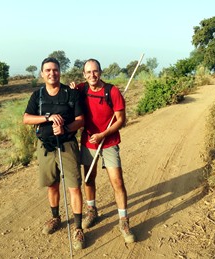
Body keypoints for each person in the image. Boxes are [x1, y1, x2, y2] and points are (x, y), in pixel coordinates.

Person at [70, 58, 136, 244]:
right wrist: (72, 89)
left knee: (117, 182)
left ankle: (123, 221)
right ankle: (92, 210)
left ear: (100, 72)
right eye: (88, 72)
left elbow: (120, 120)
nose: (92, 75)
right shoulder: (82, 89)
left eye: (95, 71)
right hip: (89, 141)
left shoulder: (112, 91)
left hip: (109, 142)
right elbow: (67, 98)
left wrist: (103, 134)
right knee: (88, 178)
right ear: (84, 74)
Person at [23, 57, 85, 250]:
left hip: (66, 144)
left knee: (74, 187)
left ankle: (77, 227)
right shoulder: (38, 96)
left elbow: (80, 119)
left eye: (55, 70)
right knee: (52, 184)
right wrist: (47, 117)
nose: (52, 73)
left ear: (60, 72)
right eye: (48, 70)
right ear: (42, 73)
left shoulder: (70, 93)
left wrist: (65, 128)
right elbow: (26, 119)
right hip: (45, 147)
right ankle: (55, 217)